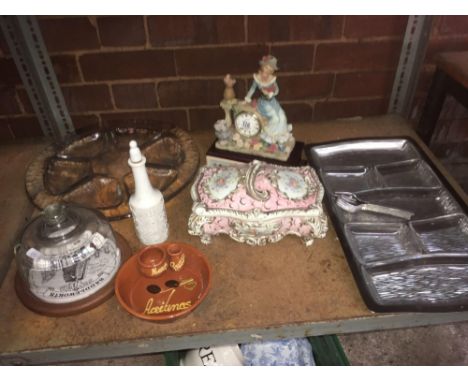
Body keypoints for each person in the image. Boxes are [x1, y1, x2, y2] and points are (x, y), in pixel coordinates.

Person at [244, 55, 292, 148]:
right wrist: (247, 99)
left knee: (282, 116)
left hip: (272, 101)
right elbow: (252, 90)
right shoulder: (257, 79)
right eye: (264, 72)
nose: (265, 75)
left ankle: (279, 137)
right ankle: (270, 138)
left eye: (268, 73)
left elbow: (277, 90)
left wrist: (271, 93)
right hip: (264, 103)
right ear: (261, 70)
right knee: (275, 118)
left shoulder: (272, 79)